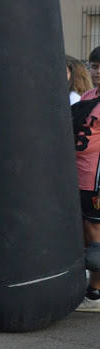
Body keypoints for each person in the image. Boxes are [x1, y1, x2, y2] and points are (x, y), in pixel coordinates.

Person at [74, 46, 100, 311]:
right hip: (79, 175)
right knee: (83, 233)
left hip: (96, 179)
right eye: (94, 66)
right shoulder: (89, 96)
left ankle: (96, 295)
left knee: (96, 236)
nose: (98, 71)